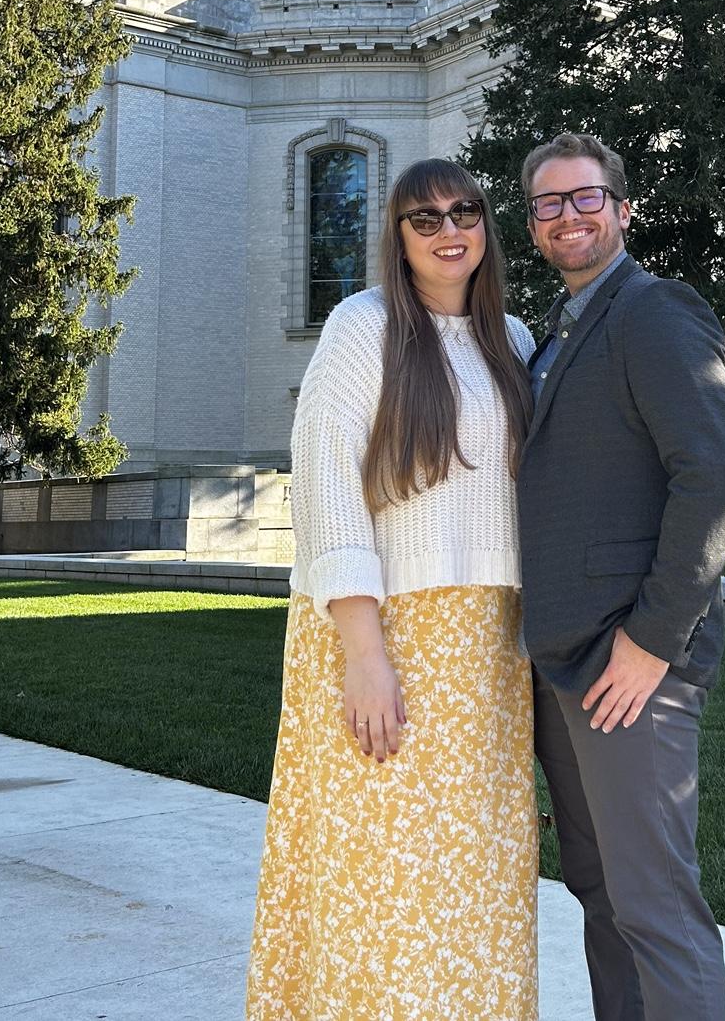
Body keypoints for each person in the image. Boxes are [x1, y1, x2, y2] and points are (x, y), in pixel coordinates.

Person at [247, 159, 539, 1021]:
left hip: (487, 642)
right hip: (383, 632)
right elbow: (327, 486)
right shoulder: (362, 326)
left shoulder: (515, 341)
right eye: (425, 219)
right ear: (399, 239)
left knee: (475, 864)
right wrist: (364, 655)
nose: (450, 231)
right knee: (379, 868)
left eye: (465, 212)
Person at [518, 132, 725, 1021]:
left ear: (620, 206)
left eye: (585, 198)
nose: (568, 216)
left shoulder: (655, 310)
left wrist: (653, 642)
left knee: (655, 908)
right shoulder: (557, 335)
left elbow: (712, 478)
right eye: (548, 203)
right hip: (563, 660)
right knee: (601, 897)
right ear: (532, 223)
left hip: (631, 665)